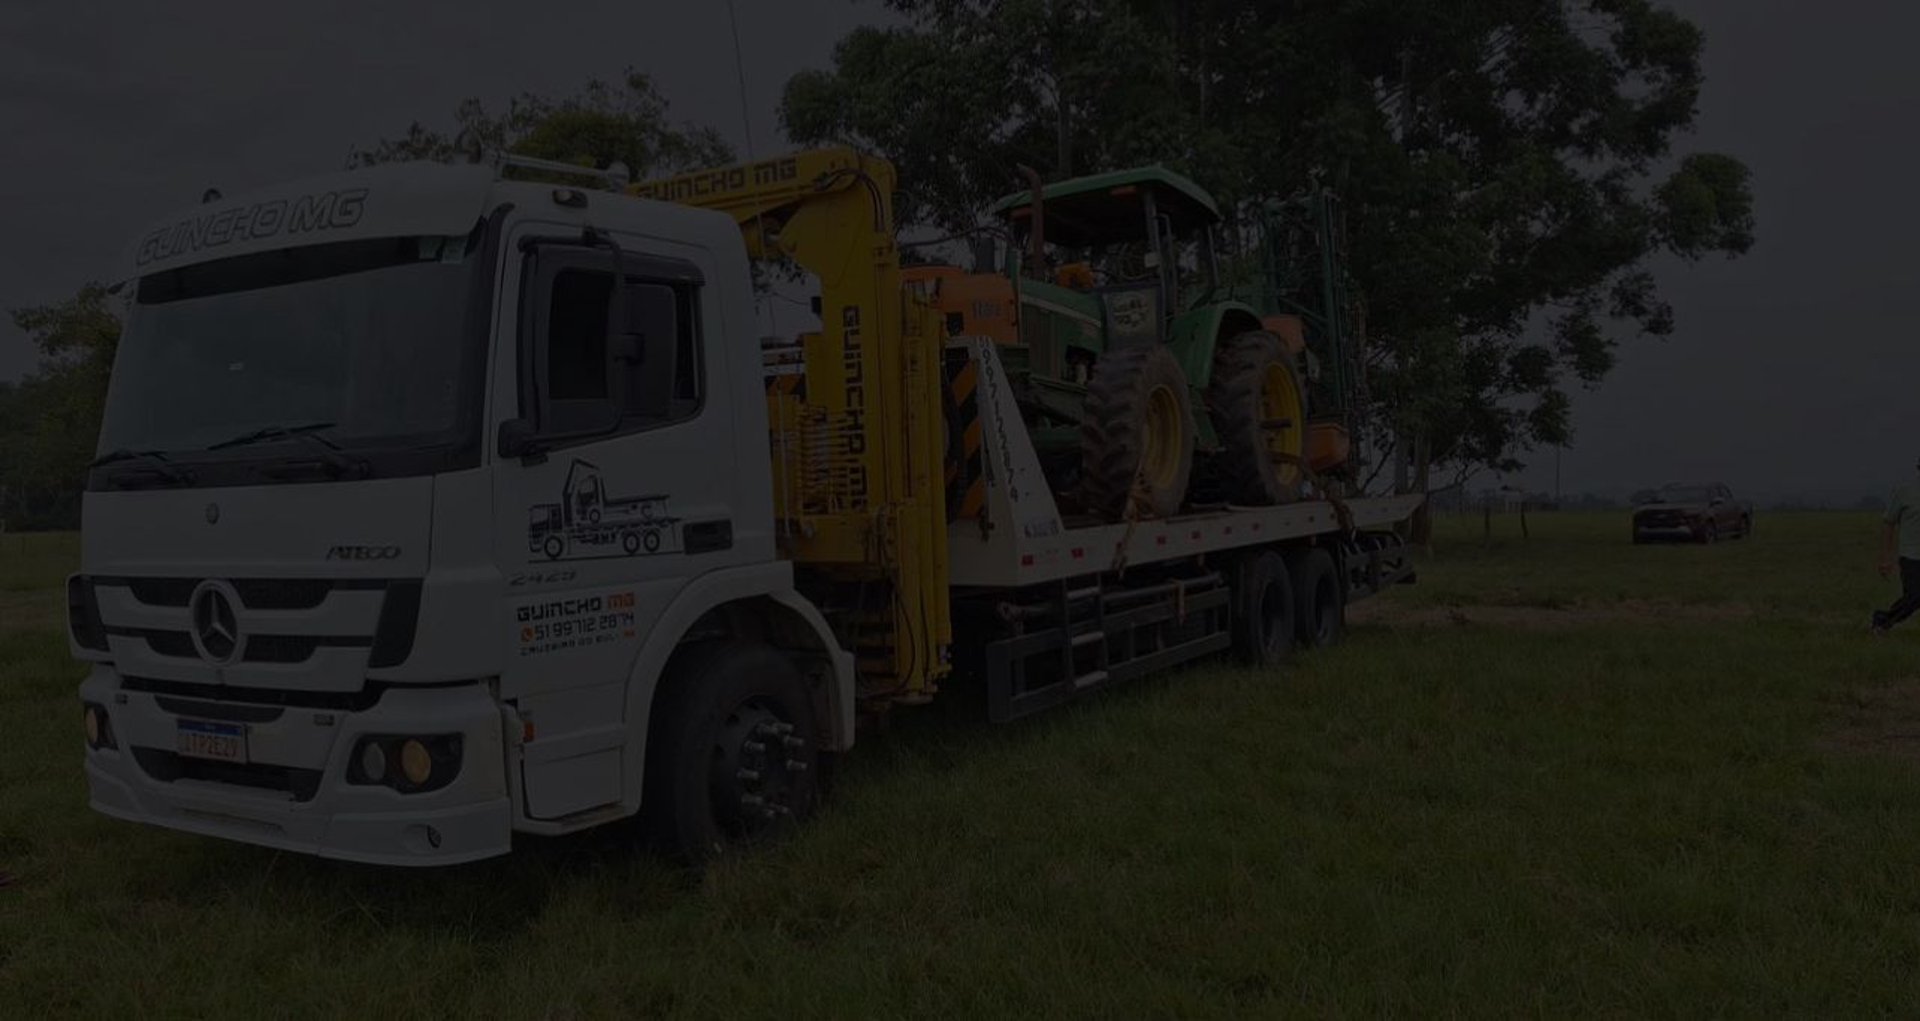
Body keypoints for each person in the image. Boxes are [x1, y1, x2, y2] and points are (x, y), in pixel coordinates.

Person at [1872, 458, 1920, 634]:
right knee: (1914, 597)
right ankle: (1883, 620)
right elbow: (1888, 523)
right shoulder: (1904, 492)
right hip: (1911, 556)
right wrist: (1885, 558)